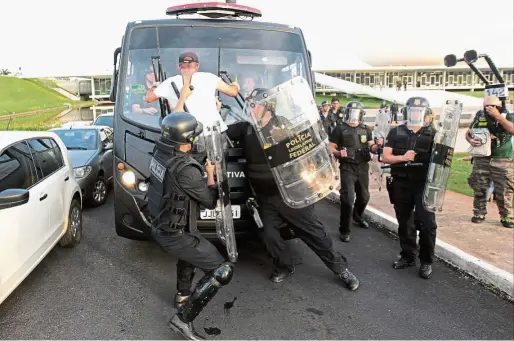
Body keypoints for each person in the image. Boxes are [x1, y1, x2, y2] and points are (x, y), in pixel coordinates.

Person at [226, 88, 360, 290]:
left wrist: (318, 178)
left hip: (290, 193)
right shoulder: (246, 128)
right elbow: (219, 131)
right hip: (265, 197)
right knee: (268, 235)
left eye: (256, 105)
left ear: (267, 108)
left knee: (314, 234)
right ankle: (285, 266)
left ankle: (341, 269)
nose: (251, 109)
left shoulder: (282, 125)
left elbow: (304, 152)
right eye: (251, 105)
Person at [147, 113, 234, 340]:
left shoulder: (162, 152)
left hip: (164, 225)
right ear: (188, 140)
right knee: (221, 271)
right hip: (173, 234)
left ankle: (182, 295)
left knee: (191, 251)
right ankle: (182, 319)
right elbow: (208, 200)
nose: (197, 140)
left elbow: (186, 160)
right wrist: (211, 174)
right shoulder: (186, 170)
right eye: (195, 137)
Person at [381, 96, 438, 279]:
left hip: (423, 184)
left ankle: (426, 261)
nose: (415, 113)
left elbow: (442, 160)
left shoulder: (434, 134)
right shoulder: (396, 132)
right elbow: (385, 157)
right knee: (405, 223)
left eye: (420, 111)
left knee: (427, 224)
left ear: (426, 113)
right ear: (406, 111)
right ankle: (407, 256)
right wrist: (402, 158)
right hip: (401, 182)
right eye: (412, 110)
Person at [145, 51, 240, 133]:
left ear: (179, 67)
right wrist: (235, 85)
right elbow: (233, 92)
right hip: (214, 137)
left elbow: (148, 98)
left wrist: (154, 86)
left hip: (187, 135)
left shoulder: (170, 82)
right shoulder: (209, 78)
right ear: (197, 66)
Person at [329, 101, 381, 242]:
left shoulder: (366, 129)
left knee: (364, 197)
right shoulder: (340, 129)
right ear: (346, 114)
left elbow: (371, 146)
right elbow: (331, 147)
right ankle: (344, 230)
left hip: (363, 166)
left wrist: (377, 146)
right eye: (351, 113)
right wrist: (339, 153)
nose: (353, 117)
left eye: (356, 113)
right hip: (347, 167)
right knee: (348, 199)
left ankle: (358, 216)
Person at [466, 96, 514, 228]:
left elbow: (512, 129)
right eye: (486, 106)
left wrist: (498, 117)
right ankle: (479, 212)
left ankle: (506, 215)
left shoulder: (508, 115)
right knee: (480, 186)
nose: (488, 109)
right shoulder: (480, 115)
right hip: (482, 157)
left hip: (502, 157)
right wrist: (470, 140)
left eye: (492, 106)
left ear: (499, 105)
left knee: (504, 188)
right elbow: (469, 132)